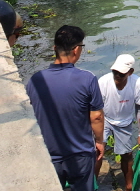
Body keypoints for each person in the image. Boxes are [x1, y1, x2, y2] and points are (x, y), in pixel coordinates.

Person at [26, 25, 104, 191]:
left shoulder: (35, 80)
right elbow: (96, 117)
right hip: (80, 155)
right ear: (76, 50)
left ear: (55, 48)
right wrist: (99, 141)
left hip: (48, 153)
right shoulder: (87, 79)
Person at [97, 55, 140, 191]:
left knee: (127, 154)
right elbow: (96, 109)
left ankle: (129, 186)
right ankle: (93, 184)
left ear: (130, 72)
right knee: (97, 151)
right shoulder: (103, 82)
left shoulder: (137, 83)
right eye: (115, 72)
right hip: (105, 119)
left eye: (122, 73)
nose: (117, 75)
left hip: (124, 122)